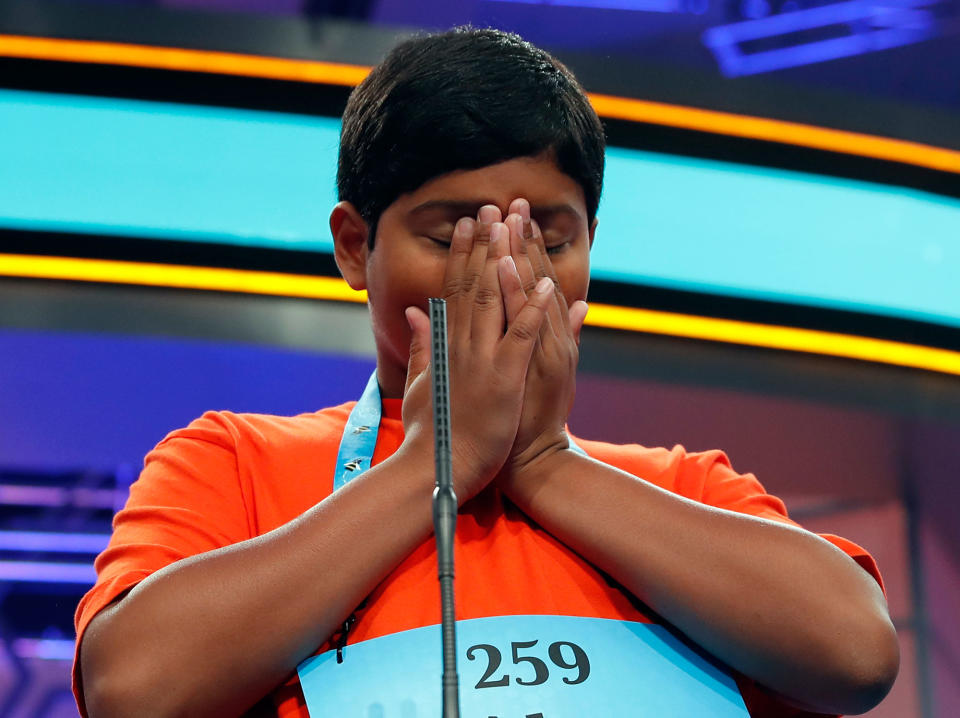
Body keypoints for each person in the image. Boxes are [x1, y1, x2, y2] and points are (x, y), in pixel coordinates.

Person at [74, 27, 899, 718]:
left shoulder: (684, 486)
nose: (507, 272)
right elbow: (133, 689)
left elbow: (858, 656)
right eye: (452, 238)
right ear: (355, 246)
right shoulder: (235, 463)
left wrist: (542, 464)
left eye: (550, 237)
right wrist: (436, 467)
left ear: (592, 244)